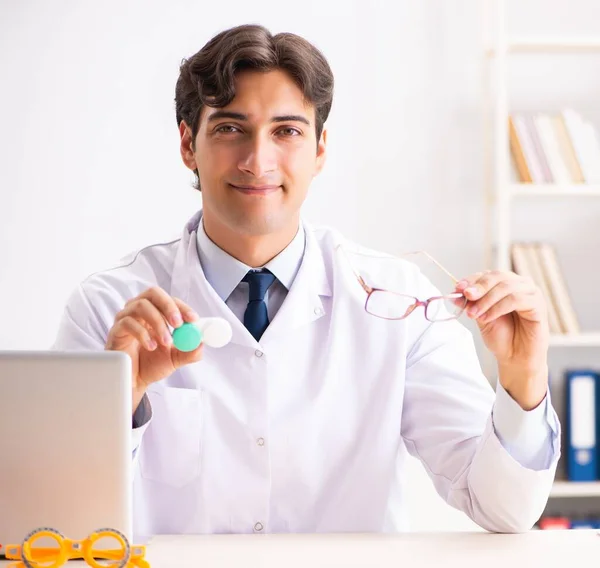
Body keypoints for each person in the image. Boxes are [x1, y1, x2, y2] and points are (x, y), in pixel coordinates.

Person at [53, 23, 560, 539]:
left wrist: (523, 376)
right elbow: (56, 523)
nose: (258, 160)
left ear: (319, 149)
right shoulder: (108, 307)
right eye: (230, 128)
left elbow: (504, 511)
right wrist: (123, 401)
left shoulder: (400, 304)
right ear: (189, 144)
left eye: (287, 131)